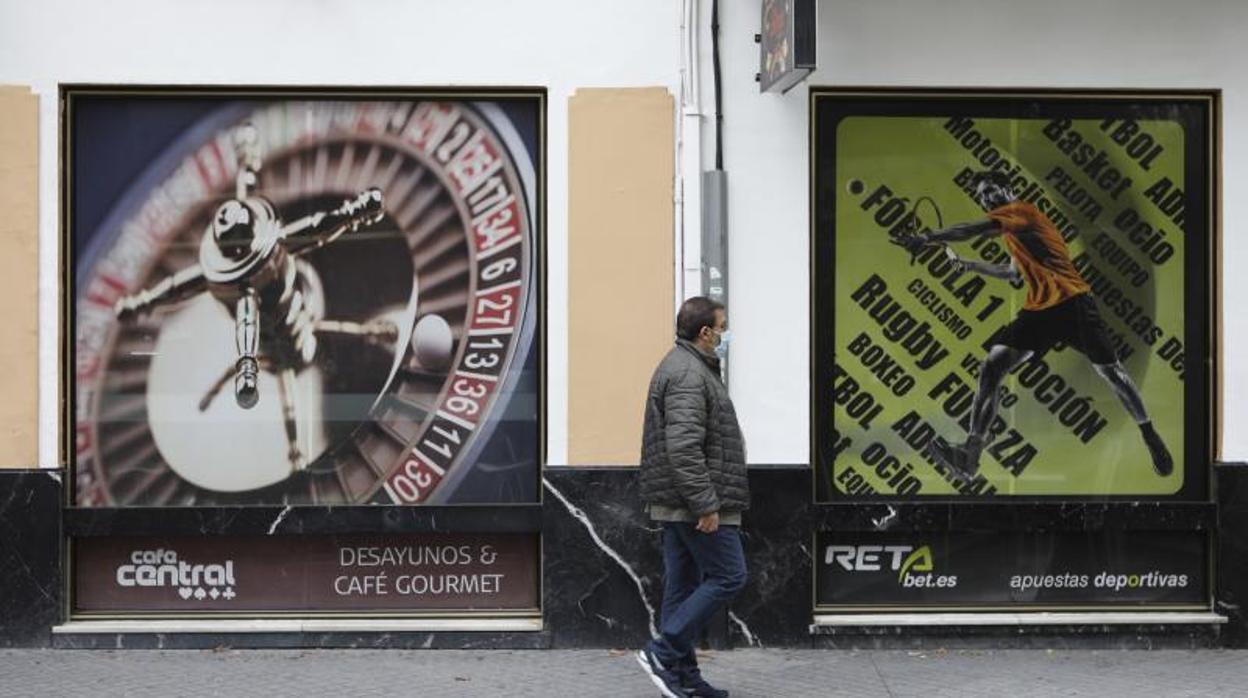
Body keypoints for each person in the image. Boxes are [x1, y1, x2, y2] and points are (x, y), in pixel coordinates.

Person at [891, 170, 1173, 481]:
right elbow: (1012, 273)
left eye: (990, 192)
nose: (986, 200)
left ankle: (1149, 434)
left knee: (1112, 372)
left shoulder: (1022, 212)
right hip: (1039, 310)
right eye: (982, 196)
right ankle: (970, 453)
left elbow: (971, 229)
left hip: (1072, 302)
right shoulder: (1014, 232)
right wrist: (971, 266)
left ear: (1008, 189)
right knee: (992, 366)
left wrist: (928, 237)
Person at [635, 296, 748, 698]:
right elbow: (682, 447)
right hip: (692, 503)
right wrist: (706, 505)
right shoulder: (687, 374)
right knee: (729, 575)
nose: (725, 334)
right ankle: (664, 652)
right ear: (705, 332)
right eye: (723, 327)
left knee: (682, 587)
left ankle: (683, 678)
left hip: (677, 501)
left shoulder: (690, 367)